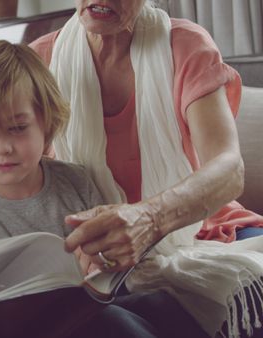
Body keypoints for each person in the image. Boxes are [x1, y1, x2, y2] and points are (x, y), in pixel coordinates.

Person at [0, 40, 208, 338]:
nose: (2, 148)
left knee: (160, 305)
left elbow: (109, 267)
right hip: (21, 329)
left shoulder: (76, 182)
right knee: (112, 324)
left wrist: (101, 262)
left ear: (45, 124)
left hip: (86, 312)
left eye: (18, 128)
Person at [29, 1, 263, 336]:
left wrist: (149, 219)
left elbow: (228, 169)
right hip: (104, 256)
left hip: (209, 232)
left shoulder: (185, 46)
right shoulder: (39, 62)